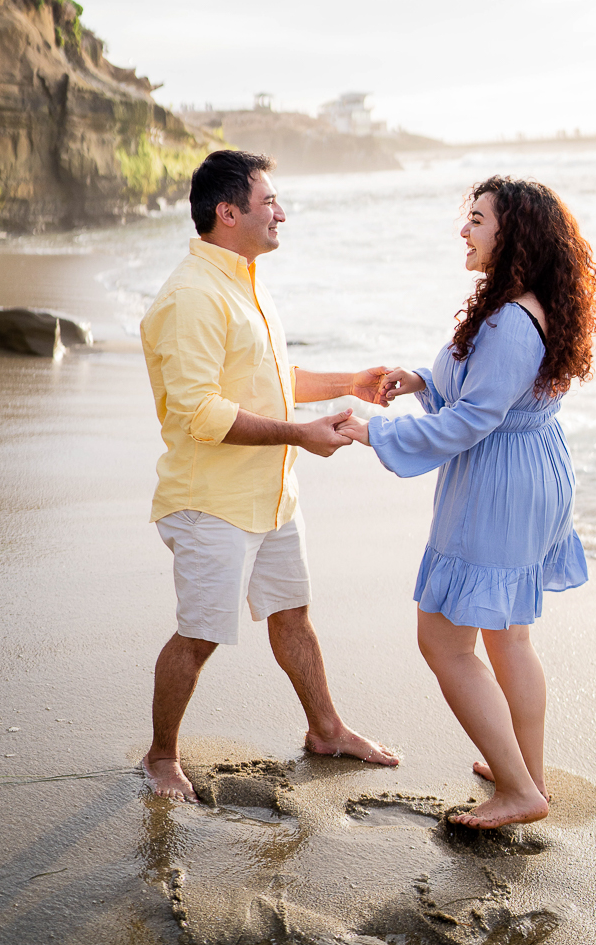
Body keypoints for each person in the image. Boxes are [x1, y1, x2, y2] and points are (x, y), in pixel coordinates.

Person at [340, 175, 596, 829]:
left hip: (500, 484)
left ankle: (519, 791)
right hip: (529, 470)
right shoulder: (526, 304)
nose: (464, 230)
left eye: (478, 220)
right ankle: (525, 774)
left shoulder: (512, 321)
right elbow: (487, 396)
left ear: (510, 233)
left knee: (444, 639)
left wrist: (376, 431)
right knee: (508, 637)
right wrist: (421, 381)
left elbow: (472, 421)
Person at [139, 149, 399, 801]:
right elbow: (200, 413)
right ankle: (161, 757)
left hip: (270, 493)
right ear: (228, 213)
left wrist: (350, 383)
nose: (281, 212)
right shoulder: (192, 295)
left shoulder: (245, 280)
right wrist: (299, 435)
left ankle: (326, 729)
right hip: (212, 502)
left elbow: (270, 379)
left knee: (291, 615)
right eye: (269, 201)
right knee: (198, 636)